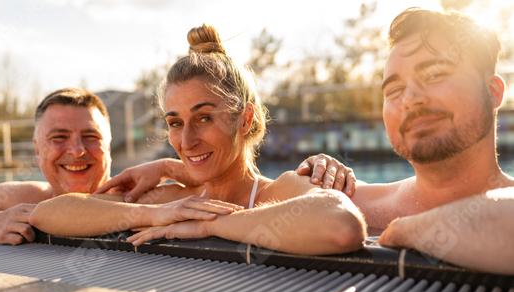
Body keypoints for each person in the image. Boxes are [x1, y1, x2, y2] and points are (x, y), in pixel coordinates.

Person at [29, 24, 367, 255]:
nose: (186, 140)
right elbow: (48, 214)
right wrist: (152, 215)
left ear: (245, 119)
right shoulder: (170, 201)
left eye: (204, 118)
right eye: (175, 122)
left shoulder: (276, 192)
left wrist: (214, 224)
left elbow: (342, 225)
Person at [297, 8, 514, 274]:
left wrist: (406, 230)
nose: (410, 100)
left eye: (434, 75)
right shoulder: (354, 204)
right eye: (395, 90)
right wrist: (316, 172)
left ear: (492, 92)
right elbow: (255, 193)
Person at [0, 88, 227, 245]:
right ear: (37, 149)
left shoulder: (141, 199)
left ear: (109, 145)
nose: (77, 150)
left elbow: (237, 188)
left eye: (91, 137)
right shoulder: (21, 198)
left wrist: (167, 168)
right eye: (59, 138)